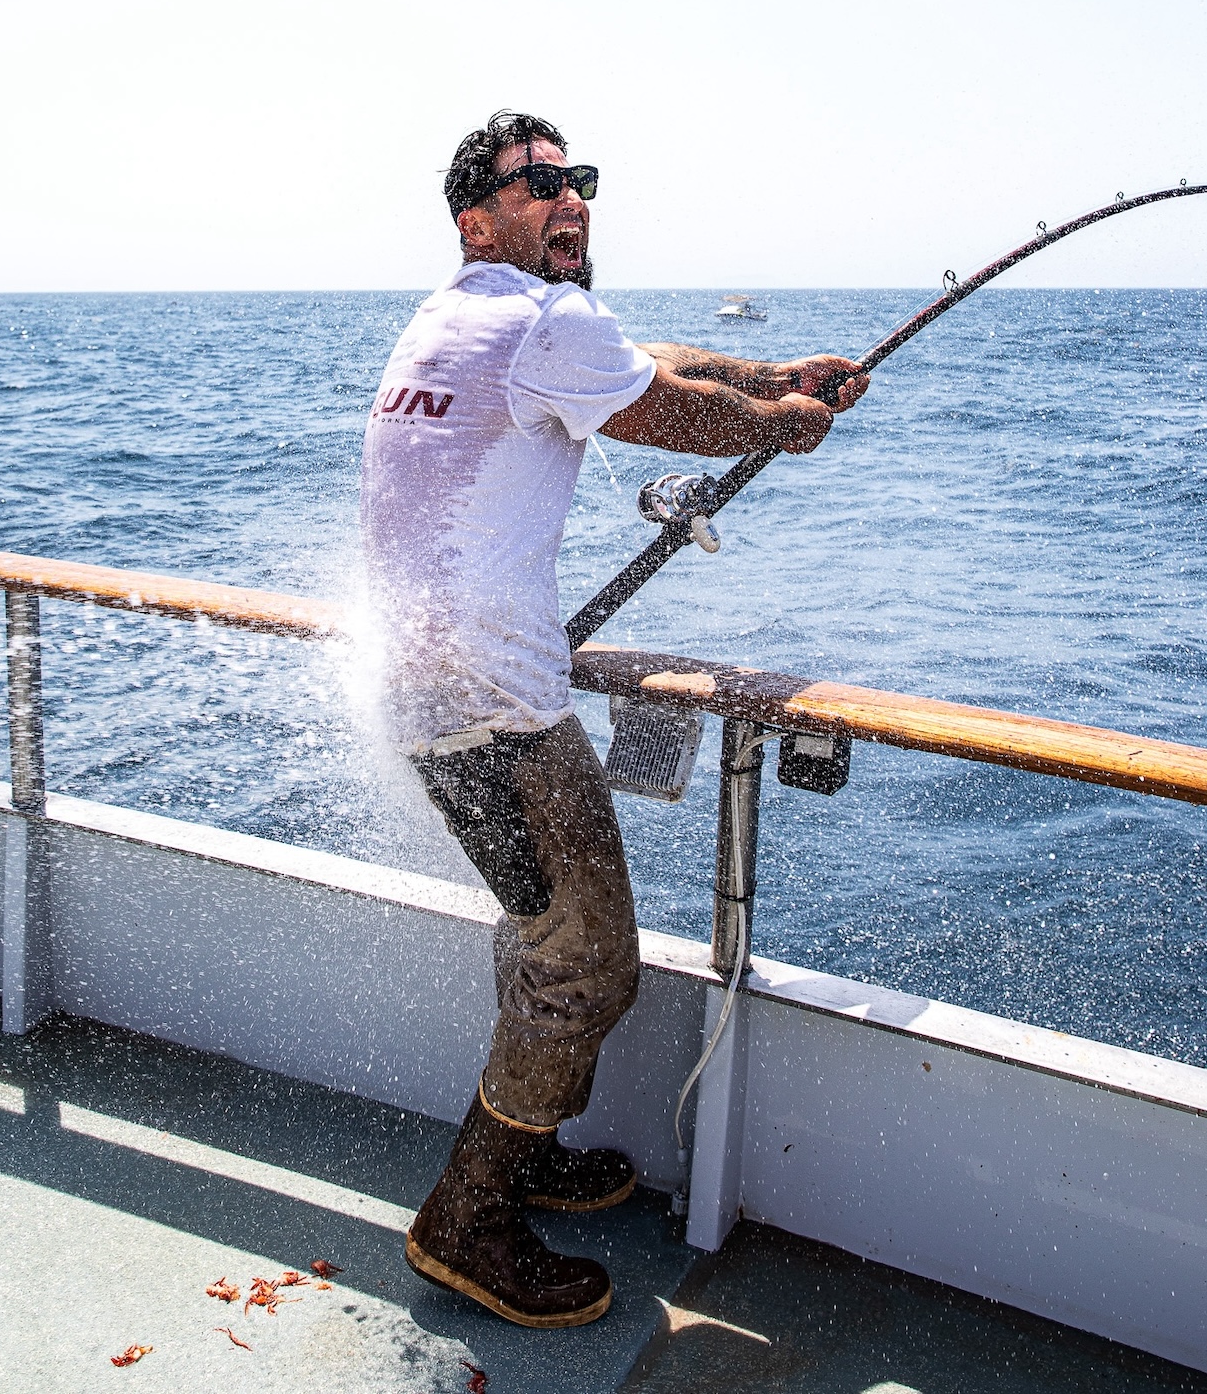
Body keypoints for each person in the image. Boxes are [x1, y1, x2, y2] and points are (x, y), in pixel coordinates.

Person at [360, 111, 868, 1329]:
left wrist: (772, 370)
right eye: (534, 183)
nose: (569, 196)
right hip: (500, 711)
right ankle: (464, 1222)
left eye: (576, 178)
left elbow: (657, 359)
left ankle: (522, 1156)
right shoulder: (544, 321)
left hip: (427, 698)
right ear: (475, 216)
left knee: (543, 933)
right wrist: (781, 425)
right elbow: (669, 411)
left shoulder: (457, 315)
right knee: (587, 967)